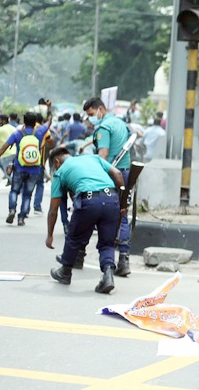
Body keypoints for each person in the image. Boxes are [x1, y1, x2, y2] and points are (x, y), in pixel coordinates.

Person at [46, 147, 125, 294]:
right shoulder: (93, 158)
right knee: (107, 243)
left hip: (88, 201)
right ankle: (108, 274)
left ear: (56, 162)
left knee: (73, 237)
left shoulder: (60, 172)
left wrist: (49, 235)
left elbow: (53, 210)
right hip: (111, 198)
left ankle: (65, 272)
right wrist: (121, 202)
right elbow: (118, 173)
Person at [84, 97, 132, 277]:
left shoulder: (103, 127)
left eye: (91, 114)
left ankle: (83, 255)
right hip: (125, 172)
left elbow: (102, 155)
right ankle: (124, 259)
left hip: (110, 174)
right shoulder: (120, 123)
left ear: (100, 110)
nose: (90, 118)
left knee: (96, 213)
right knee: (123, 213)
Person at [0, 112, 51, 226]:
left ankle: (12, 210)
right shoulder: (40, 132)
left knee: (14, 190)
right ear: (35, 122)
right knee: (27, 194)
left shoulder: (17, 134)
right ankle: (21, 218)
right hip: (35, 169)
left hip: (19, 167)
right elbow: (48, 123)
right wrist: (49, 112)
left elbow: (3, 148)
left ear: (24, 121)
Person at [0, 115, 17, 184]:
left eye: (0, 120)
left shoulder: (0, 130)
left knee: (8, 173)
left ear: (4, 120)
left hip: (5, 153)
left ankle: (14, 186)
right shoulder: (13, 128)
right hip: (14, 152)